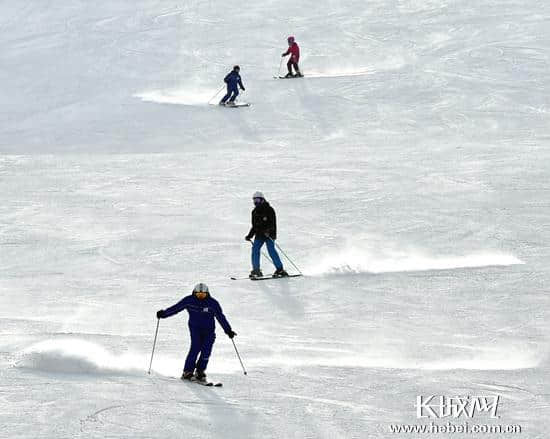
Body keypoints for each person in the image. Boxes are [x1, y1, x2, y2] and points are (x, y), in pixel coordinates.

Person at [156, 283, 236, 382]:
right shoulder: (189, 300)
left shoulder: (212, 303)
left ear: (207, 294)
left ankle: (200, 371)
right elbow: (176, 308)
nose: (201, 297)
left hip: (209, 330)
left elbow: (220, 317)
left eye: (203, 295)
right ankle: (187, 371)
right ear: (194, 293)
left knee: (206, 350)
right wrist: (163, 314)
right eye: (198, 295)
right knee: (195, 348)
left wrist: (228, 330)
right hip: (195, 329)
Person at [245, 191, 289, 278]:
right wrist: (250, 235)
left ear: (262, 200)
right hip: (259, 235)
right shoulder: (254, 212)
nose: (255, 202)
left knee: (271, 250)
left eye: (257, 200)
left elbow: (272, 223)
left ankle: (280, 269)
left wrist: (268, 231)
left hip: (269, 235)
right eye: (254, 200)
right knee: (255, 250)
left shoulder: (269, 209)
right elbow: (254, 226)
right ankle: (256, 270)